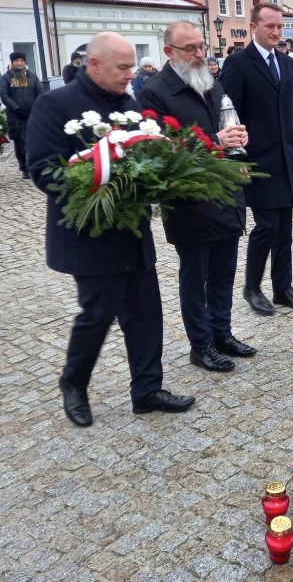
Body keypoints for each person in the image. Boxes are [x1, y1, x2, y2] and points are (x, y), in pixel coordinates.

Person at [26, 32, 196, 426]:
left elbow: (149, 156)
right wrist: (104, 182)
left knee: (145, 312)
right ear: (94, 64)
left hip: (132, 232)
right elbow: (42, 170)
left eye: (131, 67)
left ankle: (147, 390)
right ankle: (74, 383)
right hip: (88, 234)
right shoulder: (55, 105)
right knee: (97, 314)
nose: (129, 74)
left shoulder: (130, 105)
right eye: (122, 68)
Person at [138, 21, 255, 373]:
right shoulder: (154, 92)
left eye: (202, 46)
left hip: (225, 191)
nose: (200, 54)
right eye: (190, 48)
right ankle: (200, 345)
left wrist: (238, 146)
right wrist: (216, 140)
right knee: (195, 277)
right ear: (169, 52)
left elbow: (227, 123)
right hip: (189, 199)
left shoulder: (211, 83)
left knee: (223, 272)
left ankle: (222, 332)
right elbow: (158, 148)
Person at [220, 2, 293, 316]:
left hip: (285, 158)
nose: (277, 32)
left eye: (280, 27)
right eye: (270, 27)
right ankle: (252, 287)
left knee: (284, 227)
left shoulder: (287, 63)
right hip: (256, 161)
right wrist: (236, 159)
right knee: (267, 225)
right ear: (254, 27)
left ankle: (283, 288)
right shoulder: (238, 64)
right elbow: (226, 114)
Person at [0, 52, 42, 179]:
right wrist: (17, 109)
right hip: (15, 115)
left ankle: (35, 165)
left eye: (21, 60)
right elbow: (4, 96)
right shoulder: (6, 78)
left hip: (31, 115)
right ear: (12, 62)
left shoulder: (32, 77)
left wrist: (35, 108)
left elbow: (39, 93)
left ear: (25, 62)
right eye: (16, 60)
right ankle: (24, 168)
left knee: (33, 141)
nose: (19, 63)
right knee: (19, 144)